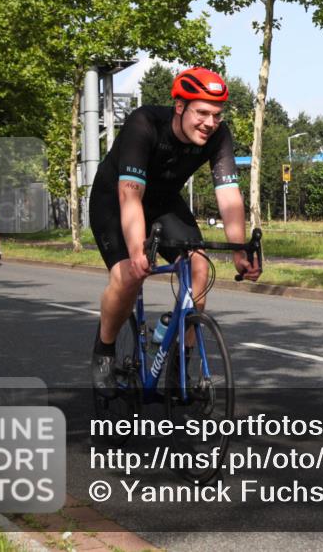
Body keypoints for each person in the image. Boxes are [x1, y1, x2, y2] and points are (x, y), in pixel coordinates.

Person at [89, 67, 261, 393]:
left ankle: (182, 360)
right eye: (202, 113)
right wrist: (138, 248)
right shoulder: (144, 124)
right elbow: (130, 195)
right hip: (115, 199)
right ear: (180, 106)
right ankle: (105, 350)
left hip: (164, 201)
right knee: (129, 274)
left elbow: (229, 196)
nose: (210, 123)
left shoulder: (218, 136)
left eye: (217, 115)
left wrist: (239, 249)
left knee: (198, 266)